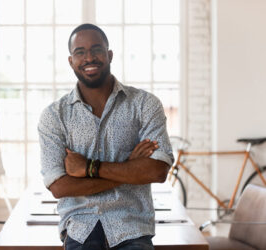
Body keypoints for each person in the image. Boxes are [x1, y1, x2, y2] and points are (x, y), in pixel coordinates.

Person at [38, 23, 174, 250]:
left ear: (109, 55)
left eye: (96, 49)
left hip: (132, 228)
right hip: (80, 227)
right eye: (79, 52)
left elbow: (157, 171)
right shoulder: (54, 115)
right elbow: (59, 186)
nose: (89, 57)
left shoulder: (144, 104)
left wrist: (89, 168)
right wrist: (130, 168)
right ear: (71, 61)